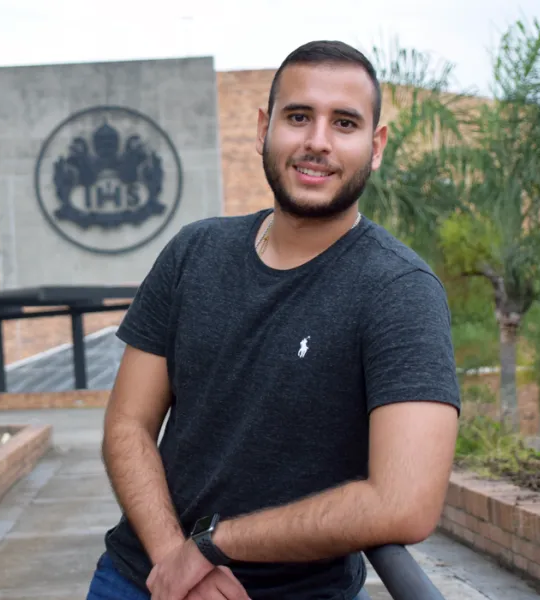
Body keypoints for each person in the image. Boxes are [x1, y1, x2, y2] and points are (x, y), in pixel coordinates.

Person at [87, 39, 461, 600]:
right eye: (298, 117)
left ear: (376, 145)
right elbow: (127, 425)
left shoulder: (400, 293)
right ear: (263, 127)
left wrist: (211, 545)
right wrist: (174, 561)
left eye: (345, 123)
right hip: (138, 579)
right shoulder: (194, 252)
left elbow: (405, 503)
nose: (317, 142)